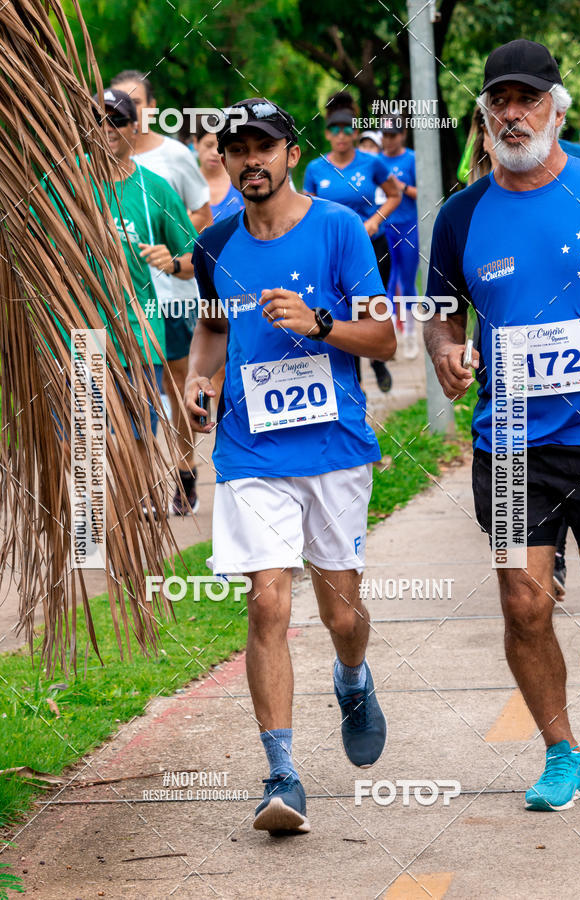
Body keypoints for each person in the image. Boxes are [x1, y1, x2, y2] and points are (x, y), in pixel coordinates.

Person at [185, 97, 395, 835]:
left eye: (264, 146)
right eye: (238, 148)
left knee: (341, 614)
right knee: (268, 603)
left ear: (290, 153)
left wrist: (320, 322)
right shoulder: (215, 244)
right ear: (225, 158)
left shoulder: (338, 228)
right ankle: (281, 775)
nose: (252, 160)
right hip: (250, 450)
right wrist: (199, 379)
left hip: (332, 447)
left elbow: (385, 338)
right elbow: (212, 328)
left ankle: (352, 678)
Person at [424, 38, 580, 811]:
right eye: (500, 101)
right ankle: (564, 755)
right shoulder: (461, 216)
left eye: (528, 99)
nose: (513, 113)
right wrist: (445, 350)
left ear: (557, 109)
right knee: (524, 605)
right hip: (511, 444)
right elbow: (439, 312)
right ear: (484, 116)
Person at [110, 69, 213, 515]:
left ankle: (185, 468)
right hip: (123, 308)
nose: (121, 116)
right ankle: (139, 487)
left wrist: (171, 258)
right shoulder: (92, 167)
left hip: (171, 298)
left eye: (133, 105)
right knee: (137, 398)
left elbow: (201, 220)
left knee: (176, 387)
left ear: (148, 110)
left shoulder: (173, 157)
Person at [94, 89, 197, 512]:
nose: (107, 129)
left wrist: (171, 262)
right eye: (98, 121)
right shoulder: (67, 184)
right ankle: (96, 524)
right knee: (84, 439)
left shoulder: (154, 188)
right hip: (81, 330)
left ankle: (135, 513)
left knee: (138, 432)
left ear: (134, 127)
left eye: (116, 120)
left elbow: (194, 259)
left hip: (140, 331)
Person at [303, 93, 400, 393]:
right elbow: (308, 210)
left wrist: (375, 221)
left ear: (356, 132)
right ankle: (355, 382)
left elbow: (394, 194)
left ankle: (378, 361)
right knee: (344, 314)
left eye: (347, 129)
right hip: (335, 253)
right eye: (335, 129)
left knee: (371, 309)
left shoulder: (372, 163)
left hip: (373, 247)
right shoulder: (315, 169)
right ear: (327, 133)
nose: (341, 135)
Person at [379, 118, 420, 359]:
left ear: (403, 134)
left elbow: (424, 193)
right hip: (385, 228)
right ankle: (390, 336)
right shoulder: (376, 161)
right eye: (385, 135)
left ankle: (411, 335)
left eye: (393, 135)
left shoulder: (412, 159)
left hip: (408, 227)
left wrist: (401, 187)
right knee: (388, 281)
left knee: (407, 282)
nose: (388, 140)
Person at [193, 122, 244, 222]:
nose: (215, 153)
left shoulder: (241, 183)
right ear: (195, 142)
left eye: (220, 147)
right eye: (208, 145)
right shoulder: (183, 185)